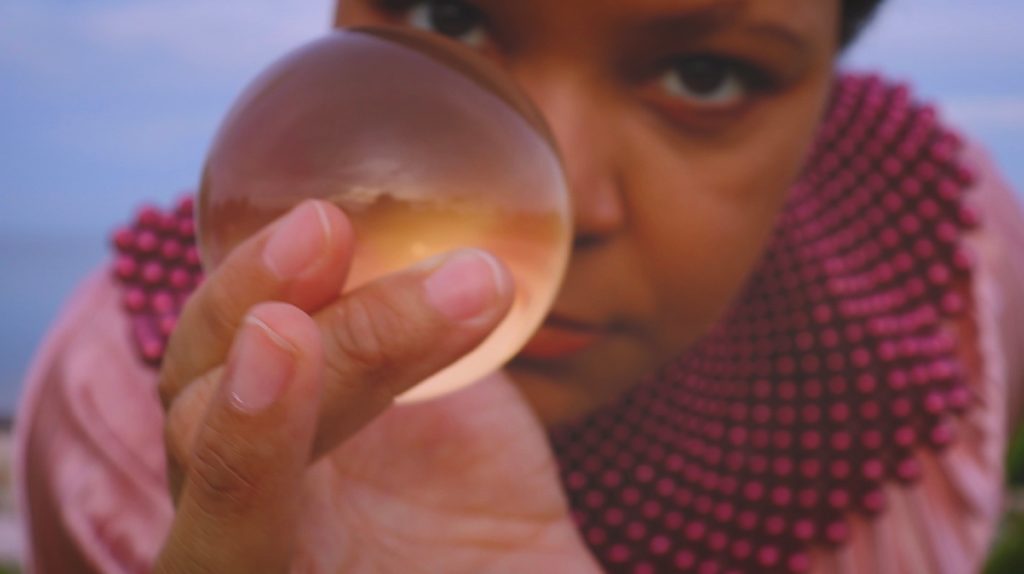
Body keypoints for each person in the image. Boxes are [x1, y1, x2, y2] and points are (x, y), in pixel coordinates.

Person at [14, 0, 1024, 572]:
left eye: (706, 76)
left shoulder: (942, 255)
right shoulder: (117, 415)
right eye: (451, 17)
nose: (563, 200)